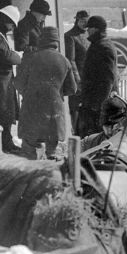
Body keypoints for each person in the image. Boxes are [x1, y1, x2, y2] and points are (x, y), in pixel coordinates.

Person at [16, 26, 76, 159]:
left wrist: (28, 93)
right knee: (52, 155)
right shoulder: (64, 61)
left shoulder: (30, 58)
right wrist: (56, 92)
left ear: (41, 40)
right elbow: (72, 88)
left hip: (31, 111)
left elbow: (18, 83)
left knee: (28, 153)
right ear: (56, 42)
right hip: (54, 114)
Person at [77, 15, 117, 137]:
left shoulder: (104, 47)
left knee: (95, 138)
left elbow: (108, 80)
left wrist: (98, 105)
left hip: (98, 105)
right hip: (92, 102)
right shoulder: (98, 44)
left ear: (95, 29)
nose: (87, 31)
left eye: (89, 28)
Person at [64, 10, 89, 129]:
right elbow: (71, 60)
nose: (85, 23)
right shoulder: (70, 36)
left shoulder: (90, 34)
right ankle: (75, 137)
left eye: (87, 21)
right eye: (82, 21)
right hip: (77, 78)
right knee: (75, 109)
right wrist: (77, 80)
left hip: (89, 78)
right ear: (77, 20)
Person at [0, 4, 20, 153]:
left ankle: (7, 143)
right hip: (2, 80)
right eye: (11, 24)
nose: (12, 27)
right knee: (4, 111)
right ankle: (5, 145)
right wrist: (18, 56)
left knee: (7, 111)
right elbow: (6, 55)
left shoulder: (2, 35)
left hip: (5, 81)